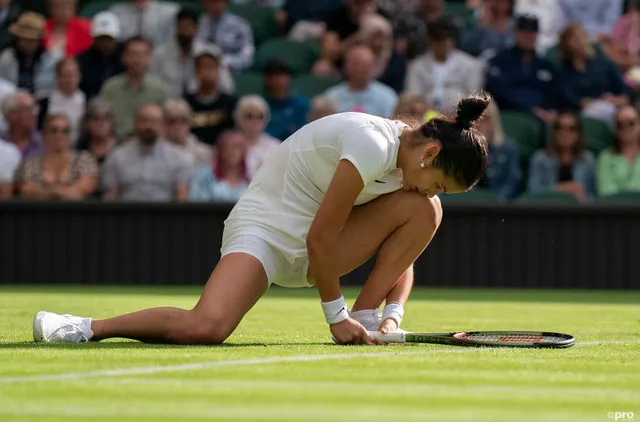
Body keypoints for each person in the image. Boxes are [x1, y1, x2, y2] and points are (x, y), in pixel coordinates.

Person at [33, 92, 491, 346]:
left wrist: (392, 315)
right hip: (266, 230)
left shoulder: (410, 174)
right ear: (430, 153)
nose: (430, 191)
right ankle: (85, 327)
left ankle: (367, 317)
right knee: (207, 328)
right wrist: (335, 317)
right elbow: (319, 237)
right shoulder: (370, 144)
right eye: (438, 183)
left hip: (323, 250)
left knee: (424, 211)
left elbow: (404, 247)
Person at [15, 113, 99, 200]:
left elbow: (84, 187)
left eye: (65, 131)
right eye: (54, 131)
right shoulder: (31, 163)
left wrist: (48, 192)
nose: (59, 136)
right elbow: (27, 190)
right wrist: (56, 194)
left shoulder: (84, 159)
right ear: (44, 135)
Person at [527, 109, 596, 202]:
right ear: (554, 132)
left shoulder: (588, 160)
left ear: (579, 133)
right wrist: (560, 189)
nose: (565, 133)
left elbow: (593, 195)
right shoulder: (540, 159)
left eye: (571, 128)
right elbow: (532, 192)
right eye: (560, 127)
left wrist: (583, 197)